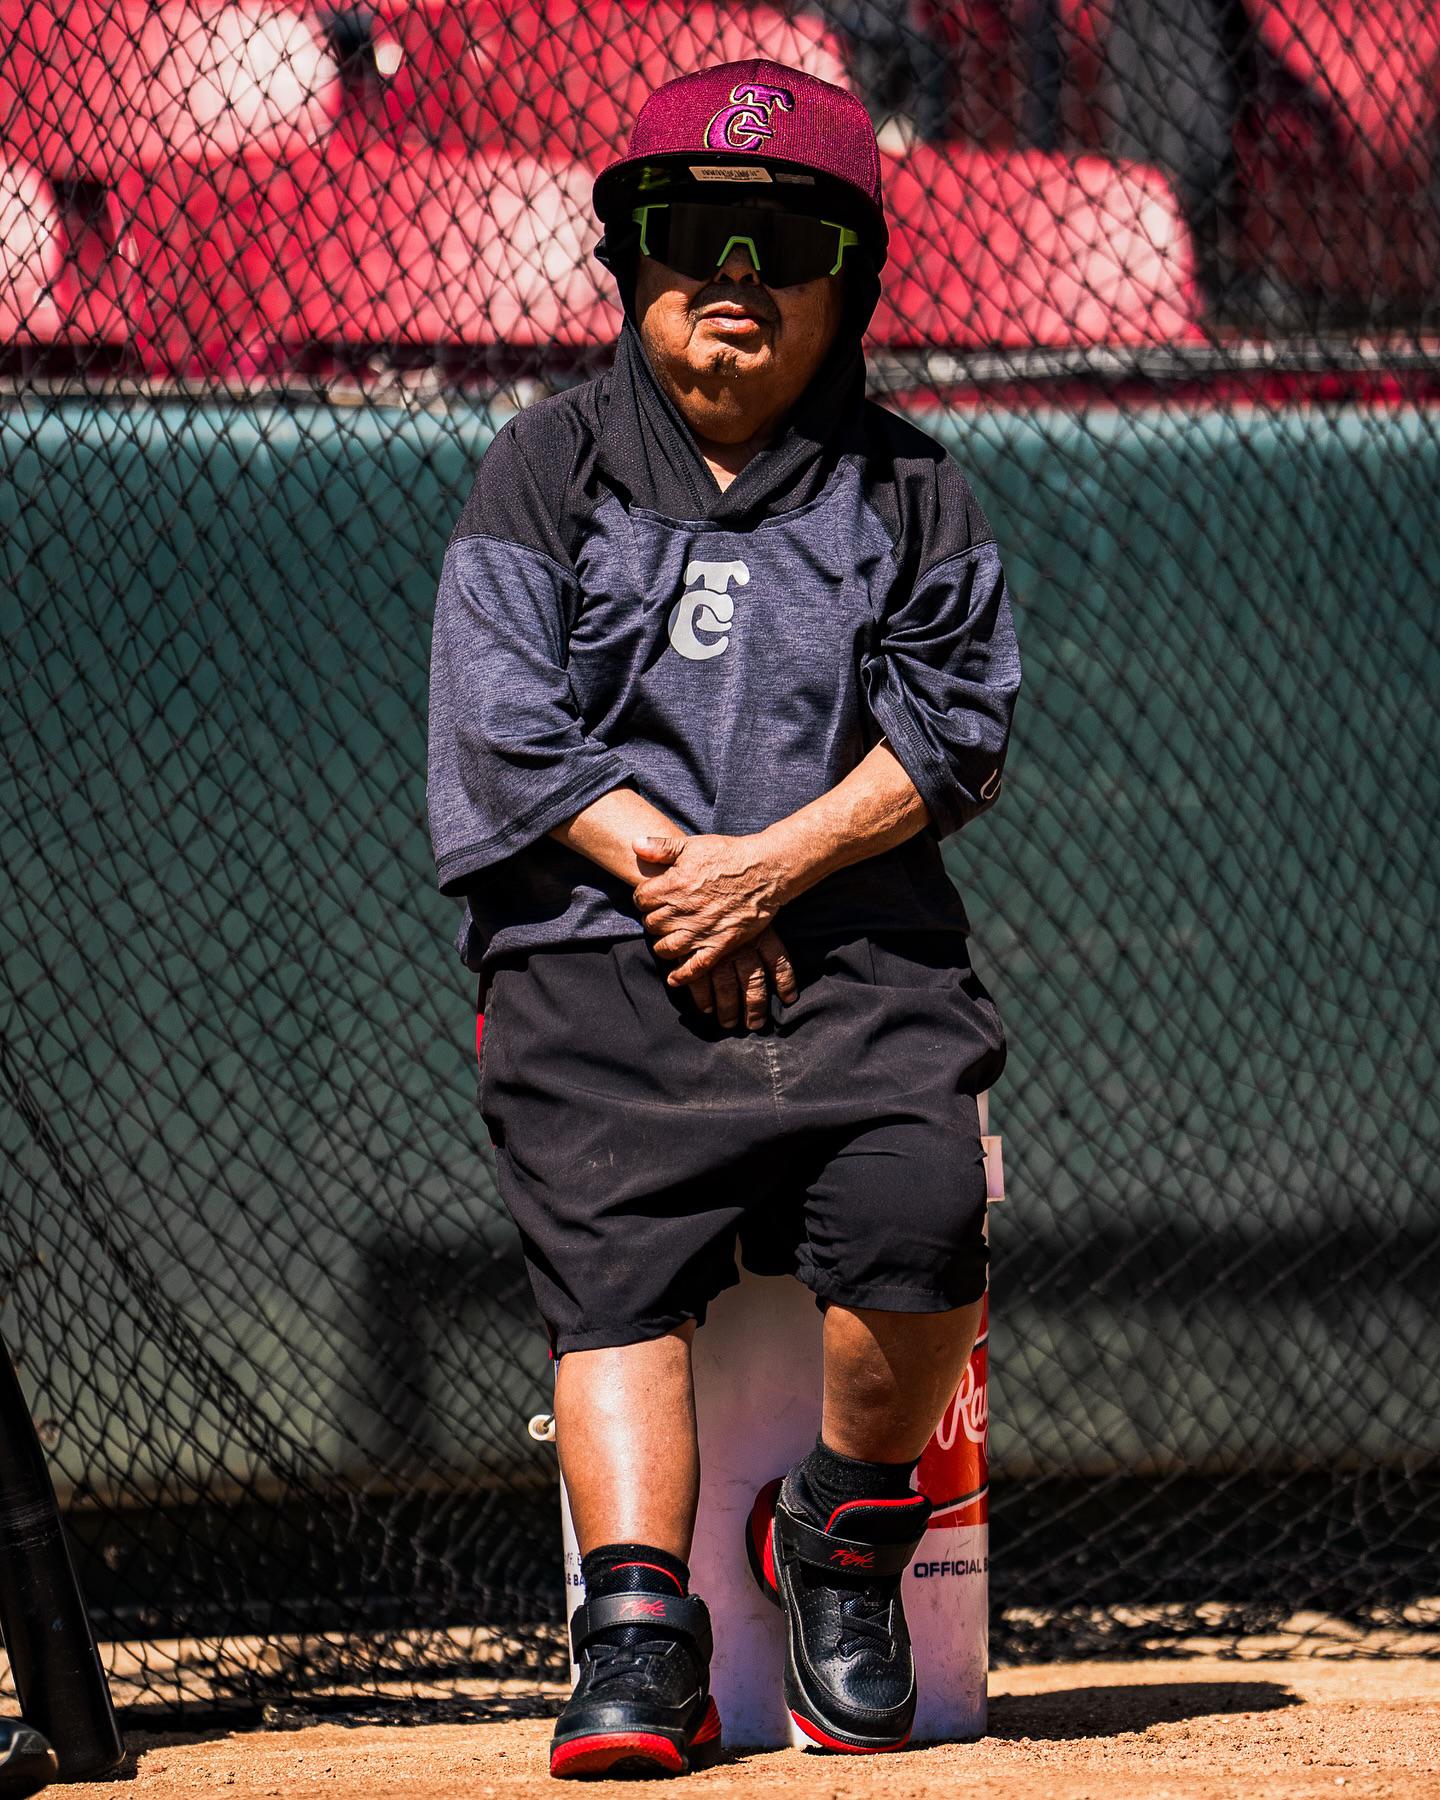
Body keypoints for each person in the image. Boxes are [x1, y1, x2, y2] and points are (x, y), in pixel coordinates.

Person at [426, 58, 1020, 1778]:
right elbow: (505, 730)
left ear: (849, 281)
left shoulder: (913, 488)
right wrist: (695, 877)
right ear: (632, 261)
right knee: (610, 1261)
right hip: (599, 943)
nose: (735, 283)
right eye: (693, 238)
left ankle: (840, 1531)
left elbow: (955, 732)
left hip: (854, 945)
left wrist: (779, 869)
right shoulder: (541, 471)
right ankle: (635, 1632)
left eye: (786, 244)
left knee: (924, 1213)